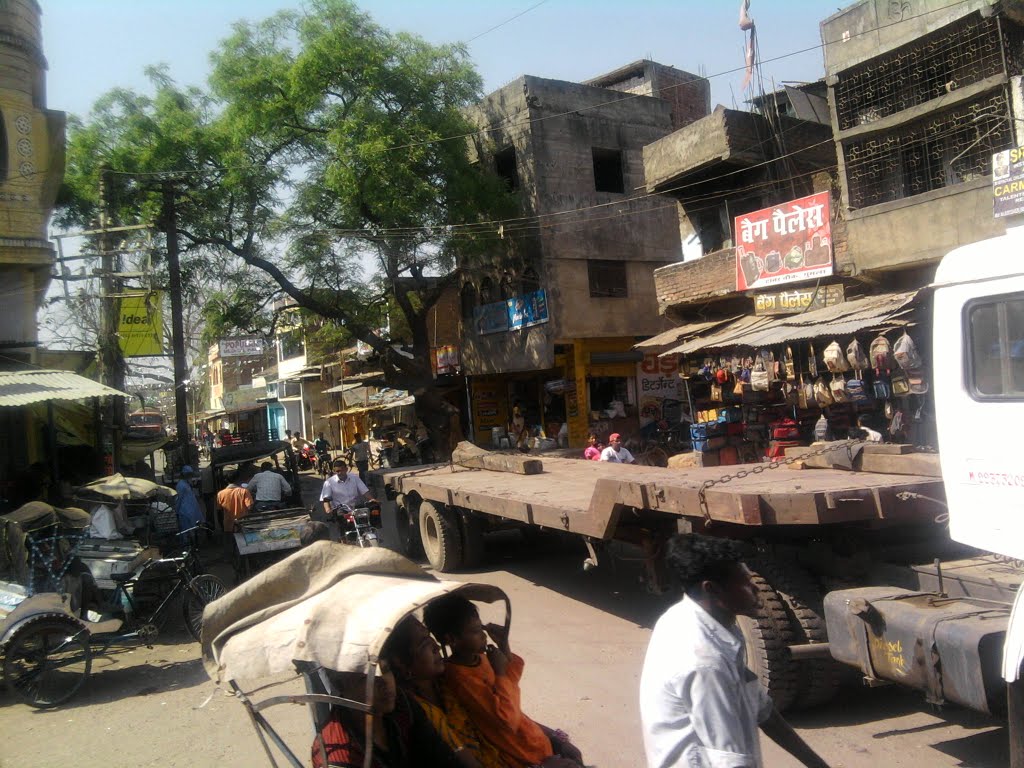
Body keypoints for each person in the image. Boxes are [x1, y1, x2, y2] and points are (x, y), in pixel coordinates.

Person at [639, 534, 832, 768]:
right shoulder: (704, 663)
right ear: (712, 590)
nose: (756, 589)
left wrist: (816, 763)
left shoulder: (702, 621)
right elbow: (729, 760)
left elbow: (761, 707)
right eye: (745, 583)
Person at [423, 594, 584, 768]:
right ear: (452, 639)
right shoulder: (459, 677)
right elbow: (507, 720)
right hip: (519, 754)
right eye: (476, 631)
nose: (484, 635)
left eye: (482, 628)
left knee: (574, 754)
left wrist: (504, 647)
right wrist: (499, 672)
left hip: (531, 740)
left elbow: (510, 685)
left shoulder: (480, 658)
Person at [311, 658, 464, 768]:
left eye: (385, 670)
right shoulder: (337, 754)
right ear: (341, 685)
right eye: (369, 677)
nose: (384, 681)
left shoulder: (402, 704)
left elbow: (442, 756)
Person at [174, 465, 205, 536]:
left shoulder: (186, 484)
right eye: (189, 475)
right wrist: (176, 510)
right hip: (184, 512)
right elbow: (179, 499)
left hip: (190, 511)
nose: (190, 476)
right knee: (186, 531)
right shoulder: (181, 485)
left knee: (192, 530)